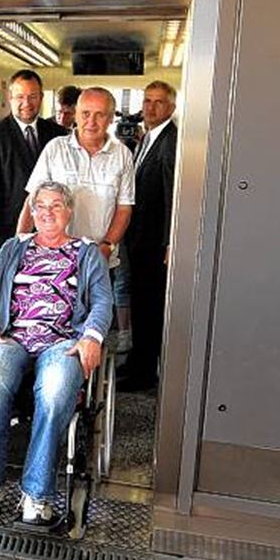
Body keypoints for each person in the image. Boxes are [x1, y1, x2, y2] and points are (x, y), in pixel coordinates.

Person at [0, 182, 113, 523]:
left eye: (56, 205)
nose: (46, 212)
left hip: (63, 342)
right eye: (39, 205)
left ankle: (37, 495)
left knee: (58, 392)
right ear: (31, 212)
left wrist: (92, 336)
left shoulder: (87, 253)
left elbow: (103, 300)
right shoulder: (13, 247)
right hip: (11, 338)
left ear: (69, 211)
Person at [17, 86, 135, 271]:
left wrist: (107, 247)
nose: (91, 122)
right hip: (53, 261)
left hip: (100, 261)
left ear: (111, 119)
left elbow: (124, 209)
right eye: (85, 113)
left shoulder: (123, 155)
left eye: (100, 115)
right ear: (76, 115)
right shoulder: (55, 148)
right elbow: (32, 201)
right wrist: (18, 247)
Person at [0, 70, 65, 262]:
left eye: (33, 96)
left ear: (41, 97)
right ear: (10, 98)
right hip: (7, 236)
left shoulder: (58, 134)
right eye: (20, 97)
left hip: (51, 237)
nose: (26, 103)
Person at [122, 80, 178, 391]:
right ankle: (136, 361)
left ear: (171, 107)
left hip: (155, 242)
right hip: (140, 239)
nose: (151, 107)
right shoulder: (148, 138)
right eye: (147, 101)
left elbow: (173, 196)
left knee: (150, 306)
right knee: (140, 302)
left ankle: (144, 372)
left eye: (158, 102)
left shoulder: (171, 141)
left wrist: (171, 241)